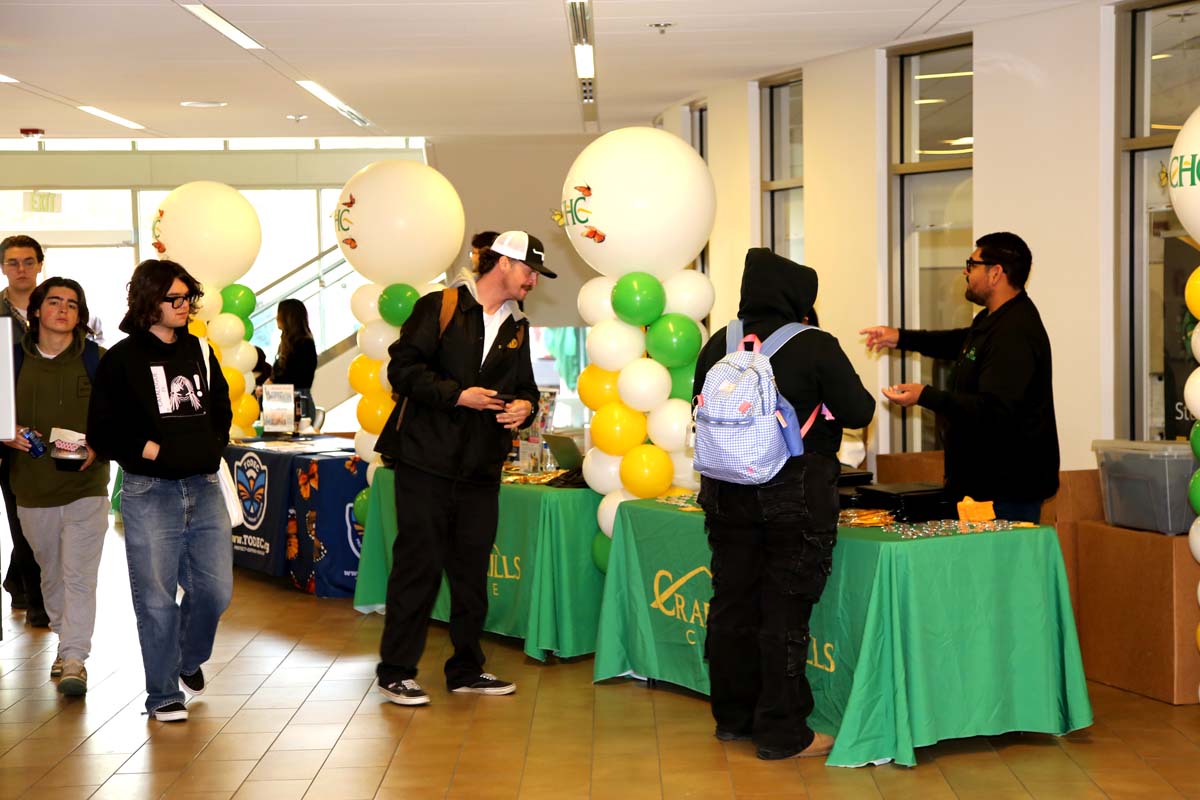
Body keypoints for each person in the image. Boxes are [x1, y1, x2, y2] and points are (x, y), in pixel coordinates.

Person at [693, 248, 875, 760]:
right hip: (793, 494)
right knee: (783, 611)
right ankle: (782, 731)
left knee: (731, 603)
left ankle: (732, 717)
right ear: (799, 298)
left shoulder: (717, 345)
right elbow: (860, 410)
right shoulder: (813, 344)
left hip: (725, 493)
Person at [373, 230, 555, 705]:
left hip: (480, 469)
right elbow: (402, 369)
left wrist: (524, 410)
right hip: (425, 462)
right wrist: (457, 395)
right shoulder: (441, 306)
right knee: (419, 567)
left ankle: (467, 669)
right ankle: (396, 671)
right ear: (503, 265)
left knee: (472, 572)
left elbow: (527, 389)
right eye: (529, 270)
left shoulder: (517, 327)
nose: (533, 280)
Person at [87, 259, 233, 723]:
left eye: (188, 296)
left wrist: (211, 446)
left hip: (204, 486)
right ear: (149, 302)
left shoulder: (203, 352)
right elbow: (103, 430)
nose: (184, 305)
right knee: (155, 597)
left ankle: (187, 660)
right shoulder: (121, 359)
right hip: (150, 492)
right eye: (174, 298)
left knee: (215, 592)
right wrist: (152, 451)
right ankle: (163, 693)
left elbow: (222, 411)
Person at [860, 231, 1058, 522]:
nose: (965, 271)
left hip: (1005, 493)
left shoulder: (1016, 331)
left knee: (993, 568)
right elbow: (958, 343)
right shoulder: (991, 320)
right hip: (981, 488)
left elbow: (993, 409)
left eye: (972, 263)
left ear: (996, 273)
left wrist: (925, 395)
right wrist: (899, 337)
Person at [4, 278, 109, 694]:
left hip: (87, 485)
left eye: (72, 303)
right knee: (51, 574)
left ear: (80, 314)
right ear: (36, 311)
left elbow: (117, 418)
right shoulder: (9, 361)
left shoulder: (98, 361)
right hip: (30, 488)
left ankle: (74, 658)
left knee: (80, 575)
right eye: (54, 302)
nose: (63, 309)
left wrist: (98, 447)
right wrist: (6, 432)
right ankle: (67, 643)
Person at [0, 234, 47, 627]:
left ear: (39, 265)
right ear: (3, 267)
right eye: (13, 262)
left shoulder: (55, 306)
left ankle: (24, 586)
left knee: (31, 514)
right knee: (18, 514)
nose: (21, 269)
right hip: (3, 429)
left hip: (43, 426)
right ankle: (31, 594)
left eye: (28, 261)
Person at [270, 299, 317, 422]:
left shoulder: (304, 343)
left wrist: (272, 383)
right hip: (283, 400)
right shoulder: (286, 343)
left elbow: (295, 377)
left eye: (279, 314)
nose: (276, 318)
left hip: (297, 401)